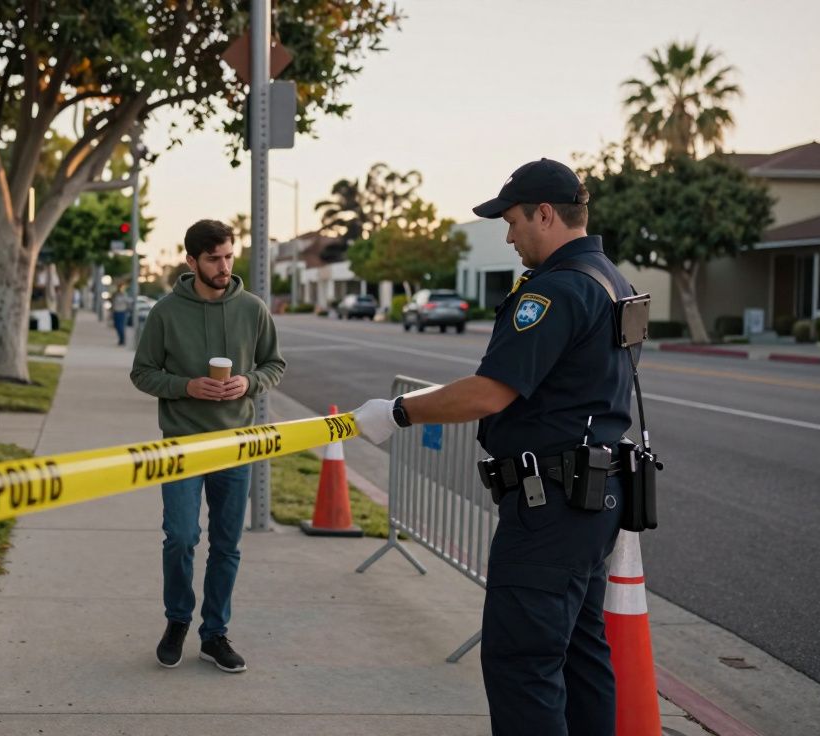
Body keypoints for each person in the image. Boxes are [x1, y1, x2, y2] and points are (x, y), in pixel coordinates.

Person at [354, 159, 633, 735]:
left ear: (547, 214)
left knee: (522, 665)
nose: (508, 236)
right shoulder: (612, 280)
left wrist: (398, 412)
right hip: (593, 498)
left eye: (512, 221)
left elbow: (488, 393)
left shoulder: (556, 291)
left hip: (550, 508)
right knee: (581, 657)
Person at [130, 218, 286, 674]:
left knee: (226, 543)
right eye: (213, 258)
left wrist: (249, 382)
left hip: (235, 444)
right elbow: (142, 373)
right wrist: (187, 386)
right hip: (181, 443)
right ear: (191, 260)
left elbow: (274, 364)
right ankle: (177, 620)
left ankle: (214, 632)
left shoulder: (253, 309)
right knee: (180, 537)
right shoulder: (165, 312)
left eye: (228, 256)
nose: (223, 266)